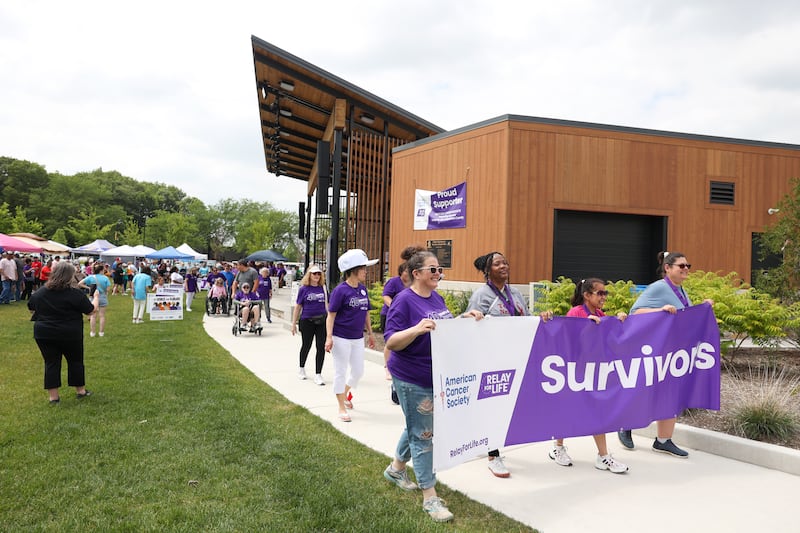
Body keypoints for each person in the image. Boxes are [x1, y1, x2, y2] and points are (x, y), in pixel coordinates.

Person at [383, 250, 483, 522]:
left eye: (440, 270)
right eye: (433, 270)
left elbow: (443, 327)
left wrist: (464, 318)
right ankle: (430, 496)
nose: (438, 274)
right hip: (412, 377)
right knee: (423, 435)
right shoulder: (404, 301)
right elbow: (391, 341)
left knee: (418, 425)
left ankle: (395, 469)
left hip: (435, 376)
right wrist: (416, 329)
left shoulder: (436, 297)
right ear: (417, 274)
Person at [617, 251, 714, 457]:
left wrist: (703, 307)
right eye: (681, 266)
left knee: (671, 393)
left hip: (675, 352)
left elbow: (682, 317)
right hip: (656, 351)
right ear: (668, 268)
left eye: (688, 265)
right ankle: (625, 424)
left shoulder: (681, 290)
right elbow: (635, 313)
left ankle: (663, 440)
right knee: (646, 388)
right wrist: (660, 310)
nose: (686, 269)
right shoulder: (658, 288)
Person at [544, 278, 630, 473]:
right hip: (573, 372)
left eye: (605, 293)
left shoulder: (601, 314)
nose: (604, 297)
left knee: (598, 411)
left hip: (592, 372)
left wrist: (619, 320)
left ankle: (603, 456)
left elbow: (610, 339)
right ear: (587, 295)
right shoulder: (576, 313)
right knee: (567, 410)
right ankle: (558, 447)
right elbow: (566, 340)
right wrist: (585, 326)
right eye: (600, 293)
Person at [466, 251, 533, 478]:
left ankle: (482, 439)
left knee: (506, 406)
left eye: (505, 261)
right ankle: (493, 456)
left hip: (514, 358)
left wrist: (540, 319)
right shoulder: (481, 295)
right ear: (488, 270)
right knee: (493, 405)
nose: (504, 265)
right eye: (497, 263)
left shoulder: (515, 293)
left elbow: (527, 320)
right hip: (490, 360)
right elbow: (469, 325)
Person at [28, 261, 99, 404]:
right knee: (75, 360)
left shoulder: (40, 292)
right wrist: (96, 297)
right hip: (69, 333)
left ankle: (53, 397)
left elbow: (31, 308)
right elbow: (91, 311)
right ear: (69, 276)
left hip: (44, 333)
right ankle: (80, 391)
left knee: (51, 362)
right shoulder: (75, 294)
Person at [325, 249, 378, 422]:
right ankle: (341, 407)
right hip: (341, 338)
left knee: (358, 371)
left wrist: (370, 334)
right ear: (353, 269)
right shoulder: (340, 291)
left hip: (357, 338)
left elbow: (366, 313)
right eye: (363, 268)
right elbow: (331, 316)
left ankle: (344, 393)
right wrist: (329, 337)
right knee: (340, 371)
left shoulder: (362, 290)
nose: (365, 271)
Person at [382, 245, 426, 403]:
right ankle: (390, 371)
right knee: (392, 344)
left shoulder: (424, 288)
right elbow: (386, 296)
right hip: (392, 315)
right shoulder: (397, 284)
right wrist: (395, 305)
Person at [292, 264, 327, 385]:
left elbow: (327, 305)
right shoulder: (304, 289)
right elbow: (298, 306)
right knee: (306, 345)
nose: (317, 276)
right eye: (314, 274)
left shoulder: (323, 288)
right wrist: (293, 323)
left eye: (319, 274)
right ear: (309, 275)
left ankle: (318, 374)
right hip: (307, 321)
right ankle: (301, 368)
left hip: (321, 321)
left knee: (321, 346)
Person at [79, 263, 111, 337]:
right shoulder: (105, 278)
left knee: (93, 316)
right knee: (102, 316)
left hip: (93, 297)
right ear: (101, 270)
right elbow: (108, 289)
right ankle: (101, 332)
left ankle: (92, 332)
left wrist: (89, 288)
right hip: (102, 296)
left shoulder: (90, 277)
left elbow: (80, 283)